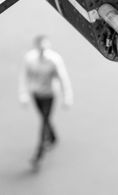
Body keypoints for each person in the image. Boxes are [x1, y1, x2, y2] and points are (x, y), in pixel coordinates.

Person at [19, 35, 73, 167]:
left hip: (49, 95)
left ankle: (39, 153)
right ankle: (53, 136)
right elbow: (24, 76)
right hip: (36, 94)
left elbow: (63, 78)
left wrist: (67, 96)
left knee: (44, 120)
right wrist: (23, 94)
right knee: (45, 118)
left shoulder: (54, 60)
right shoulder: (30, 59)